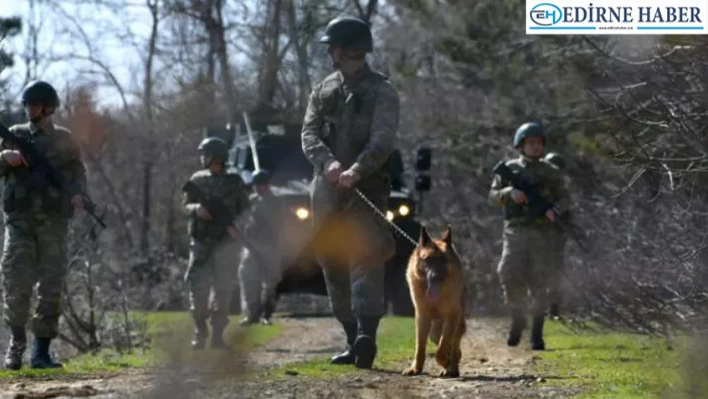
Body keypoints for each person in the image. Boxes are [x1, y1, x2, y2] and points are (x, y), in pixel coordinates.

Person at [301, 15, 399, 369]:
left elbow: (383, 140)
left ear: (344, 49)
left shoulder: (382, 91)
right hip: (326, 189)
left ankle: (366, 337)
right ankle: (350, 337)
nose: (330, 53)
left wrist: (357, 170)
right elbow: (308, 134)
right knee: (331, 259)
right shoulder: (323, 89)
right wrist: (328, 165)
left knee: (366, 256)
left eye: (333, 47)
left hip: (367, 188)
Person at [1, 80, 89, 369]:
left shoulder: (65, 140)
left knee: (52, 286)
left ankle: (41, 352)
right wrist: (4, 157)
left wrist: (79, 196)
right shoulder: (14, 135)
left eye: (35, 104)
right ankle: (16, 346)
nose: (29, 109)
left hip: (54, 223)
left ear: (48, 108)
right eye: (27, 104)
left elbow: (78, 176)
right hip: (20, 223)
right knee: (15, 283)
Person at [488, 122, 570, 351]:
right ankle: (517, 316)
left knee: (540, 283)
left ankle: (537, 332)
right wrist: (509, 193)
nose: (535, 147)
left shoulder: (551, 172)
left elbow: (566, 197)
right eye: (530, 143)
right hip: (515, 231)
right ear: (521, 145)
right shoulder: (510, 168)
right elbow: (492, 196)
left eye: (538, 143)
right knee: (508, 274)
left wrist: (555, 210)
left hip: (543, 233)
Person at [182, 136, 250, 350]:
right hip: (201, 242)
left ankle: (218, 335)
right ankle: (199, 332)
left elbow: (246, 211)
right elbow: (185, 205)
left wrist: (236, 227)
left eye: (205, 154)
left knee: (223, 290)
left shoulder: (234, 182)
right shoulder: (197, 179)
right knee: (198, 289)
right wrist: (196, 209)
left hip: (226, 244)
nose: (202, 158)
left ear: (215, 157)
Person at [238, 169, 284, 326]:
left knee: (270, 282)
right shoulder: (251, 200)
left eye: (260, 185)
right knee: (247, 279)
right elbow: (244, 219)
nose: (258, 188)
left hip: (269, 246)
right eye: (256, 185)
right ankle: (251, 314)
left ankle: (266, 314)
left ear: (266, 185)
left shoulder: (275, 202)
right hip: (251, 246)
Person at [543, 152, 569, 319]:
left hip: (555, 236)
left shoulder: (561, 191)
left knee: (554, 273)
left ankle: (553, 309)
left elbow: (565, 207)